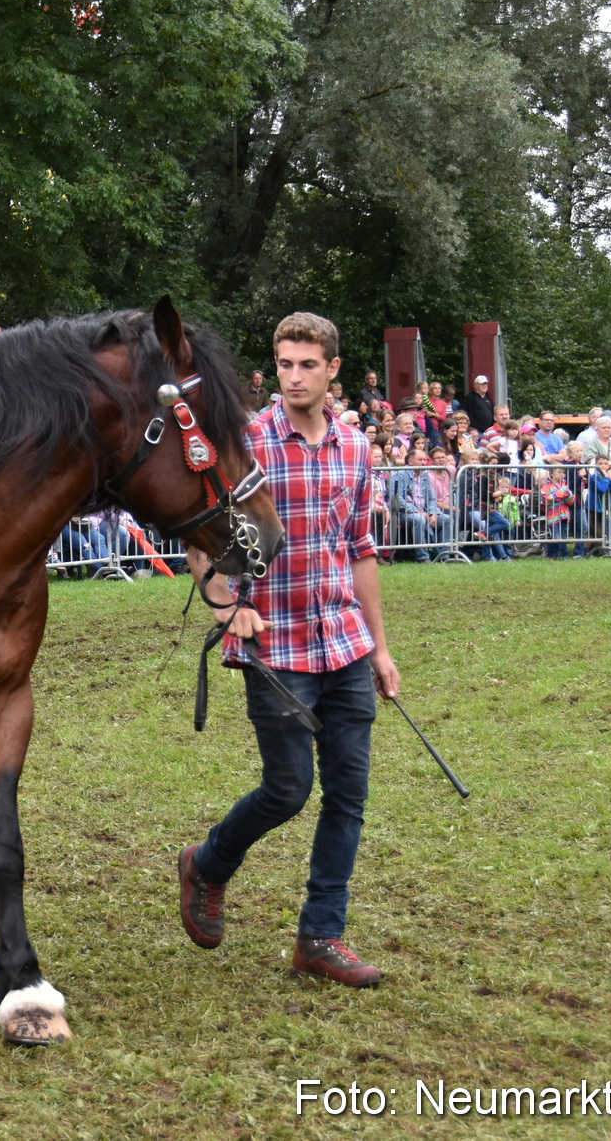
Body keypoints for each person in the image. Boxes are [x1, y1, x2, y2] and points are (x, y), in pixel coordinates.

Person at [178, 310, 400, 989]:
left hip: (345, 645)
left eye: (308, 364)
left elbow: (360, 549)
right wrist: (227, 605)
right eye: (284, 364)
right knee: (288, 788)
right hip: (275, 645)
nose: (295, 376)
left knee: (348, 797)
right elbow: (200, 537)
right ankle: (208, 863)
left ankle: (321, 936)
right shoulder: (248, 443)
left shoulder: (355, 448)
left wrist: (382, 650)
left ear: (334, 369)